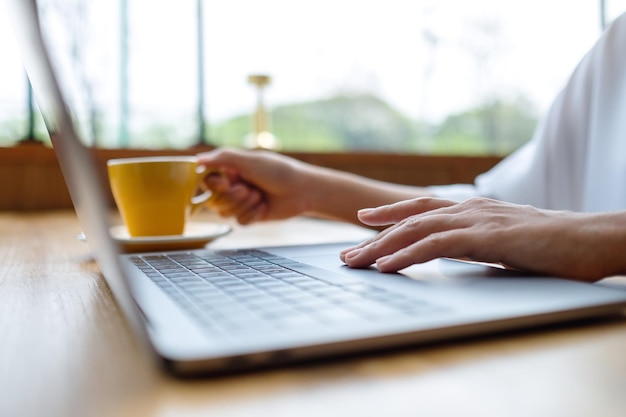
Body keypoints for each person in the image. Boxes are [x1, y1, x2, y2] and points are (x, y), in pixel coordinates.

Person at [198, 11, 626, 282]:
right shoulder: (617, 46)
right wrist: (308, 189)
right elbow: (493, 212)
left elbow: (549, 228)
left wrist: (598, 241)